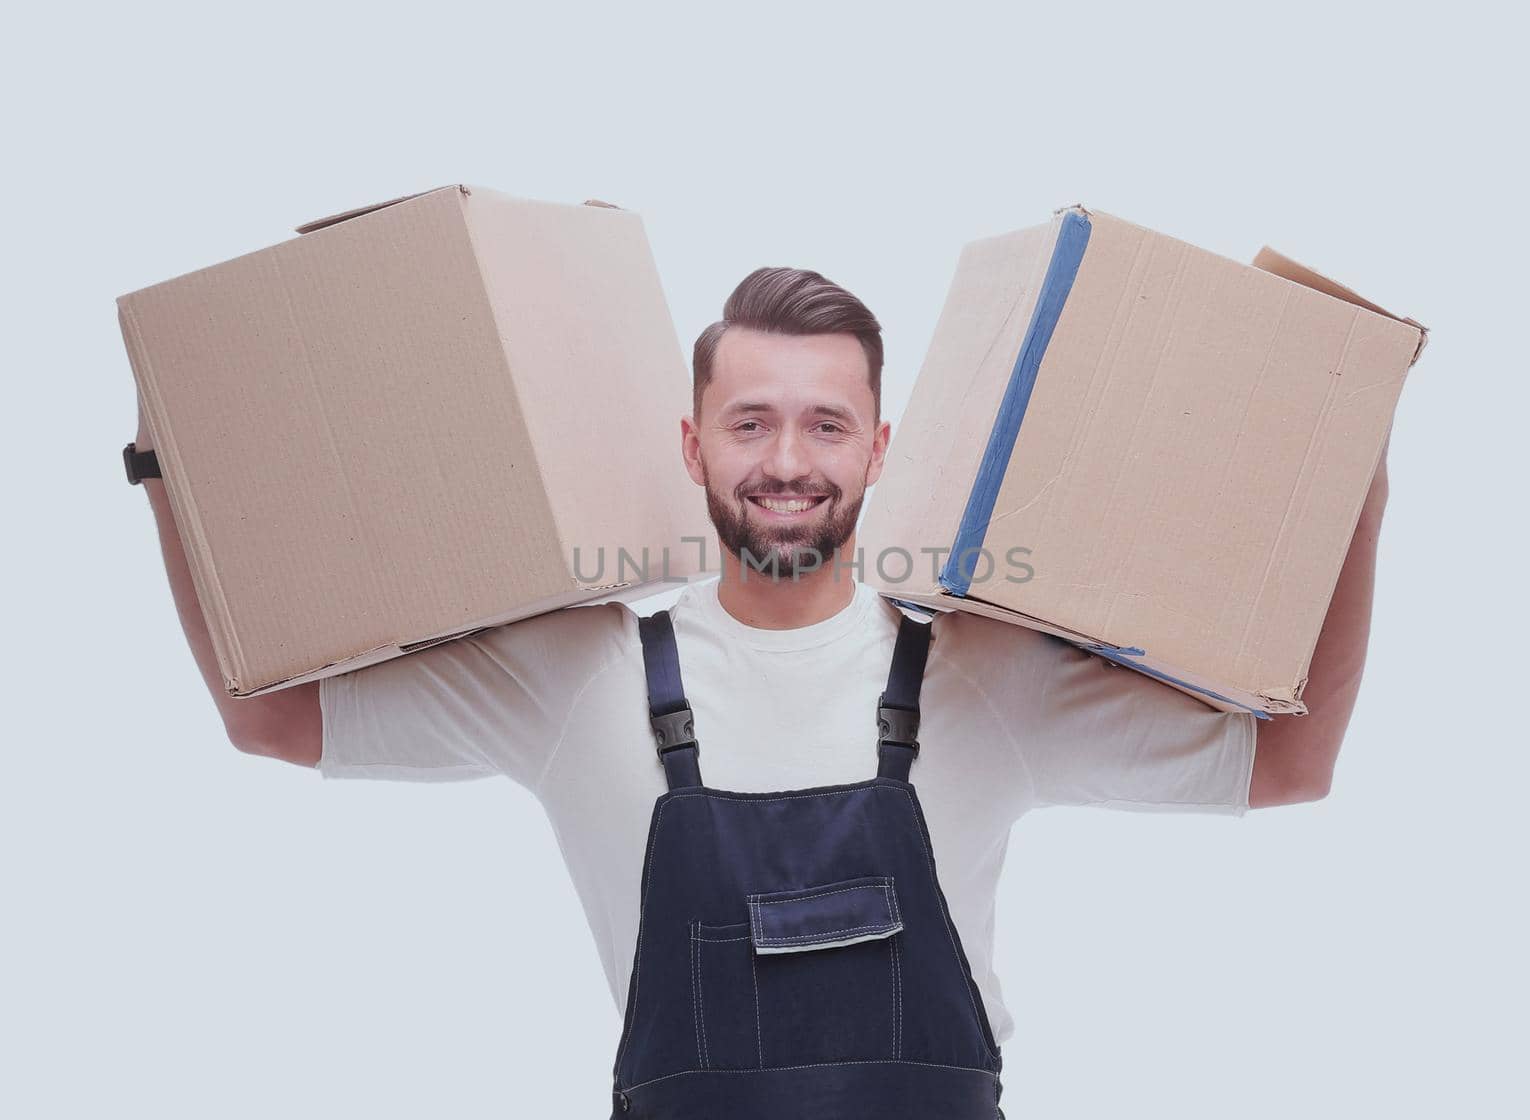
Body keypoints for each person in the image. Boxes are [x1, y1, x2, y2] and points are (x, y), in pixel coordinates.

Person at [132, 262, 1390, 1118]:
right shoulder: (579, 672)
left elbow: (1290, 763)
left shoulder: (984, 673)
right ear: (691, 445)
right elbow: (267, 715)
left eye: (826, 425)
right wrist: (161, 463)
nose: (786, 462)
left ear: (879, 449)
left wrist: (1357, 488)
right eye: (748, 423)